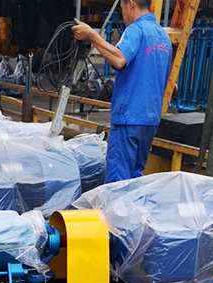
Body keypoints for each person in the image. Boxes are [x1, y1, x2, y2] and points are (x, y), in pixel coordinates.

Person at [72, 0, 171, 183]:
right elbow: (168, 84)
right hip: (149, 120)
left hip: (128, 118)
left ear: (131, 4)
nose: (123, 14)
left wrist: (92, 35)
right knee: (134, 177)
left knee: (118, 182)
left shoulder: (136, 30)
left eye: (122, 8)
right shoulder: (162, 36)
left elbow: (119, 59)